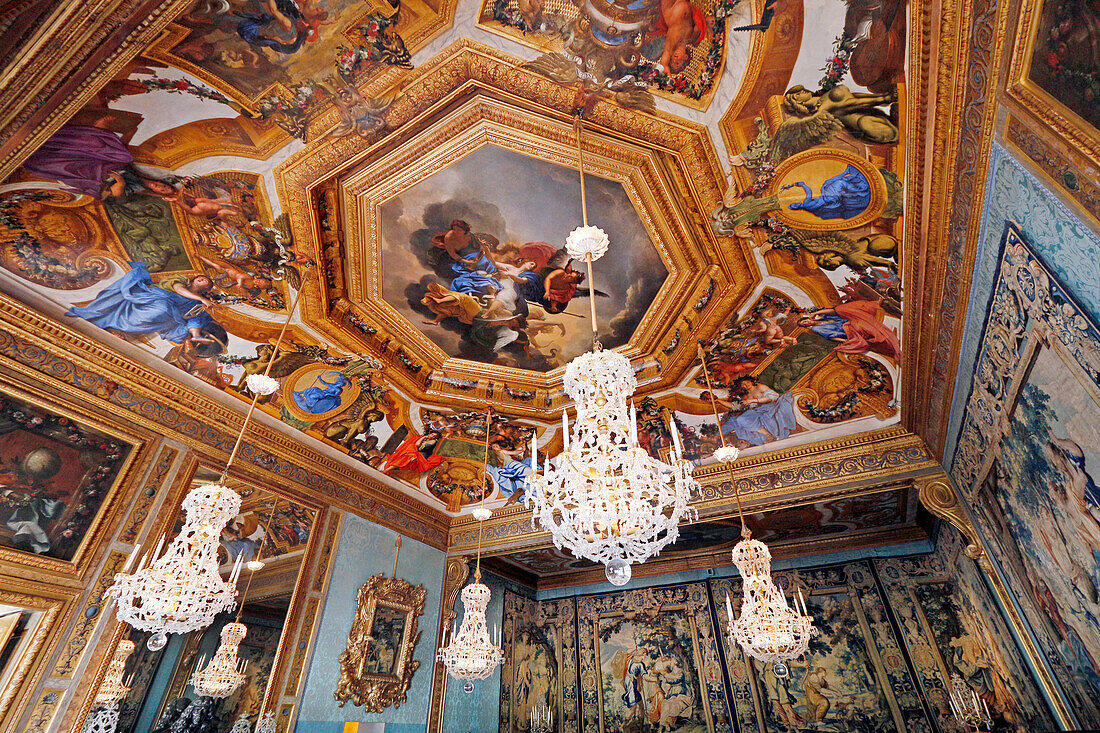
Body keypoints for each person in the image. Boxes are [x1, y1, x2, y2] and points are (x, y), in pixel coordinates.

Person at [66, 263, 219, 344]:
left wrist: (196, 335)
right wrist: (201, 299)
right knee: (162, 308)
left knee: (165, 315)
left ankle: (118, 328)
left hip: (166, 311)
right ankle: (114, 322)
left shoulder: (195, 304)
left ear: (206, 288)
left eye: (205, 281)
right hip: (151, 296)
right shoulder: (182, 281)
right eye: (201, 277)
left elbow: (193, 319)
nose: (202, 279)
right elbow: (178, 289)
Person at [797, 300, 901, 362]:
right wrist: (844, 341)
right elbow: (830, 336)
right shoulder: (816, 328)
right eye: (804, 324)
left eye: (805, 321)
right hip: (848, 330)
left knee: (842, 309)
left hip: (851, 320)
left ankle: (874, 305)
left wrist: (817, 313)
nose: (806, 323)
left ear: (807, 319)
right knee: (864, 326)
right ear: (806, 327)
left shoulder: (821, 317)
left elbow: (835, 311)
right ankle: (888, 341)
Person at [718, 377, 797, 446]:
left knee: (745, 418)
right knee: (740, 419)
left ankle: (769, 435)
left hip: (769, 407)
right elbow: (734, 406)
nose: (746, 385)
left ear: (751, 381)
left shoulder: (760, 387)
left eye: (747, 382)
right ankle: (767, 435)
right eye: (743, 385)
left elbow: (771, 398)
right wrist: (718, 400)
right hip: (757, 411)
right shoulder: (746, 395)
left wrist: (753, 400)